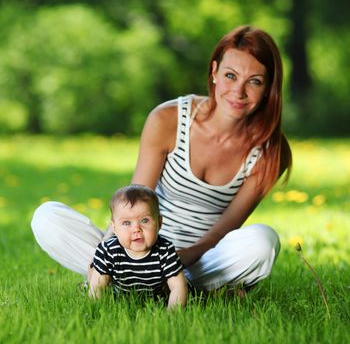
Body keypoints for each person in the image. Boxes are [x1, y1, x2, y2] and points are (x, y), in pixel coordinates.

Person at [31, 25, 292, 295]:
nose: (239, 92)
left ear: (268, 88)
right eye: (230, 75)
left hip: (198, 261)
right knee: (46, 217)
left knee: (264, 241)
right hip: (135, 248)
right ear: (214, 72)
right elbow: (133, 202)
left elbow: (222, 232)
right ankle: (127, 279)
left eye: (255, 81)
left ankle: (172, 287)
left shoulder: (270, 151)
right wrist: (113, 255)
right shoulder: (168, 119)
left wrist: (180, 260)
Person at [88, 184, 187, 309]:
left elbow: (178, 286)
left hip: (157, 303)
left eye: (144, 221)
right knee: (93, 277)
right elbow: (97, 287)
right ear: (114, 228)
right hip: (121, 301)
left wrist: (172, 316)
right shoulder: (108, 250)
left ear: (159, 223)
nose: (136, 229)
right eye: (126, 223)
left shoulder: (165, 251)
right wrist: (98, 311)